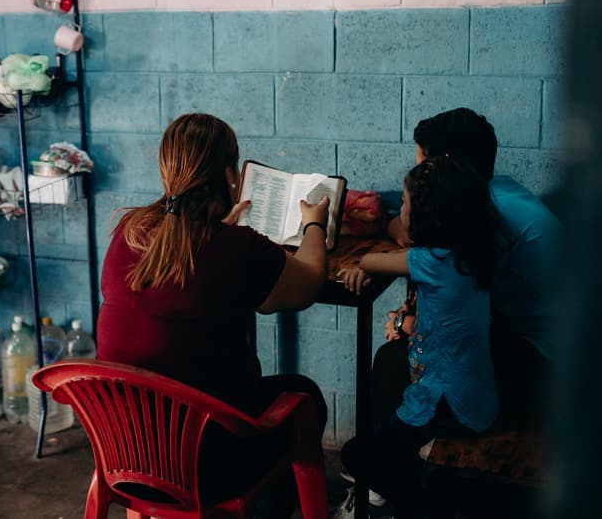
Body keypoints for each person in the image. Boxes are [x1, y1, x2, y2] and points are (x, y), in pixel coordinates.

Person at [96, 112, 331, 510]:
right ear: (230, 175)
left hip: (122, 459)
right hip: (206, 471)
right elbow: (307, 282)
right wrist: (314, 226)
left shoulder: (128, 230)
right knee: (304, 396)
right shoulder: (235, 248)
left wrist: (222, 226)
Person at [337, 157, 501, 518]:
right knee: (391, 372)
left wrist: (361, 267)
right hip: (475, 398)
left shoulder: (432, 261)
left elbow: (372, 261)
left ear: (428, 215)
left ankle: (420, 508)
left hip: (446, 404)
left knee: (354, 455)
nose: (401, 209)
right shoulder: (470, 254)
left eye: (407, 204)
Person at [380, 107, 560, 426]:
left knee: (394, 362)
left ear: (446, 165)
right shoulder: (499, 191)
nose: (419, 180)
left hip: (543, 365)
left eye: (424, 168)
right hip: (545, 344)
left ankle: (386, 468)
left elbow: (450, 308)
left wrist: (404, 325)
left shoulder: (487, 216)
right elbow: (405, 231)